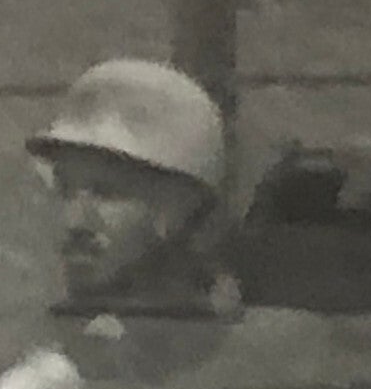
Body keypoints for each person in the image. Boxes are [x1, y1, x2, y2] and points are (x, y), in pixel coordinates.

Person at [26, 58, 239, 319]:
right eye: (64, 189)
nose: (76, 222)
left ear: (180, 207)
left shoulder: (237, 342)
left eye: (107, 193)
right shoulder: (50, 339)